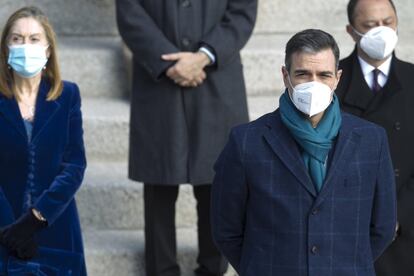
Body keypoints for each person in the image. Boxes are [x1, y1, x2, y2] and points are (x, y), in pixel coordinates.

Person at [211, 29, 397, 276]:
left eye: (323, 75)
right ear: (285, 75)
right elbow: (226, 229)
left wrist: (346, 266)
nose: (314, 84)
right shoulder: (246, 141)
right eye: (303, 74)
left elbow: (382, 226)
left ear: (337, 78)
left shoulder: (371, 139)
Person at [115, 0, 257, 275]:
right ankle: (161, 269)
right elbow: (130, 11)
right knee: (159, 183)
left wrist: (204, 55)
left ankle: (213, 268)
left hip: (216, 75)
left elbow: (242, 11)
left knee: (218, 182)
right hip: (158, 75)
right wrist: (166, 59)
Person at [0, 6, 87, 275]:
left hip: (55, 227)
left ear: (48, 50)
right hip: (4, 230)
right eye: (17, 39)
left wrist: (36, 219)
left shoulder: (68, 95)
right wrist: (11, 230)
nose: (25, 45)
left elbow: (74, 165)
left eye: (34, 39)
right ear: (5, 49)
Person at [335, 0, 414, 275]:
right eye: (369, 26)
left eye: (388, 23)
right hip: (347, 227)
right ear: (351, 30)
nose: (381, 32)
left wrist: (396, 214)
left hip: (406, 231)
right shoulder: (330, 81)